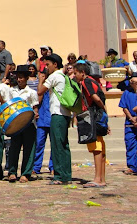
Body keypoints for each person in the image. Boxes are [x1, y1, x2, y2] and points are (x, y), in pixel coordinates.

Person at [38, 53, 72, 185]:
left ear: (55, 64)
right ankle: (66, 174)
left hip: (57, 114)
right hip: (65, 114)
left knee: (57, 145)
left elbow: (40, 91)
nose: (46, 67)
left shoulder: (54, 76)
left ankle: (59, 175)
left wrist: (41, 79)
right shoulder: (64, 77)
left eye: (48, 65)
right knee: (64, 144)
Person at [74, 62, 109, 188]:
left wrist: (103, 109)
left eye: (76, 73)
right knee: (100, 148)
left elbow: (96, 98)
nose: (75, 75)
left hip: (94, 116)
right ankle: (102, 178)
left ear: (82, 73)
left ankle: (97, 178)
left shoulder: (86, 82)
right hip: (100, 116)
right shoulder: (95, 81)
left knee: (96, 148)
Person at [6, 65, 39, 183]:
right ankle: (12, 172)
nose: (19, 80)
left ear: (26, 78)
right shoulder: (12, 90)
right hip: (15, 123)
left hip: (29, 124)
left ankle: (26, 173)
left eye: (21, 78)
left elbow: (35, 107)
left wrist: (35, 114)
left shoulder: (31, 92)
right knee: (14, 147)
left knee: (29, 149)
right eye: (18, 77)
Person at [118, 76, 137, 175]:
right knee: (130, 144)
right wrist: (132, 119)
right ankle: (132, 166)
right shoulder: (127, 92)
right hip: (130, 122)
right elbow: (124, 107)